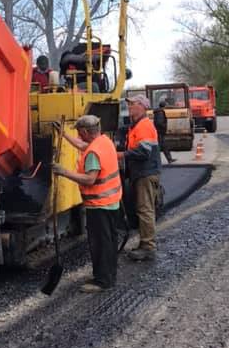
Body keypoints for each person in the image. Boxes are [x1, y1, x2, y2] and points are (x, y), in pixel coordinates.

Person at [53, 114, 122, 293]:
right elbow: (83, 146)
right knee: (109, 242)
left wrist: (63, 172)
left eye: (78, 132)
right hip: (111, 203)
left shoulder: (93, 153)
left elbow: (90, 179)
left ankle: (102, 281)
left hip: (99, 205)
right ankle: (108, 275)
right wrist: (64, 135)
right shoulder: (104, 142)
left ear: (84, 131)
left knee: (100, 244)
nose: (78, 135)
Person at [118, 95, 161, 262]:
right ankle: (145, 243)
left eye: (133, 104)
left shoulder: (144, 126)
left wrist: (122, 155)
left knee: (145, 209)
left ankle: (148, 247)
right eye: (129, 104)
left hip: (146, 173)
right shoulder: (135, 126)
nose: (129, 107)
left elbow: (144, 152)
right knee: (143, 208)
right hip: (140, 173)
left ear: (142, 106)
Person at [153, 99, 174, 164]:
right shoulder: (160, 112)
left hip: (159, 132)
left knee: (164, 146)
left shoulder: (159, 112)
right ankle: (155, 161)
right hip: (160, 132)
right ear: (164, 106)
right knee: (159, 147)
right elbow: (159, 122)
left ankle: (169, 159)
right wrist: (164, 126)